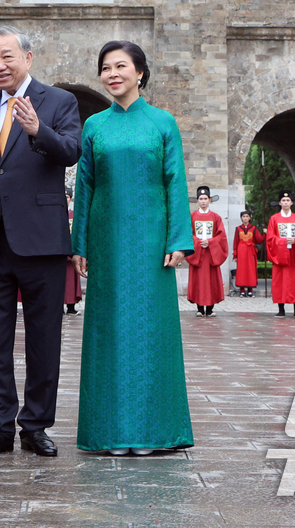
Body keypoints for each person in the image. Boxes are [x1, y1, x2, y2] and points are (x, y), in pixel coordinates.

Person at [0, 26, 81, 458]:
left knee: (44, 337)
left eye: (7, 56)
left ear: (28, 58)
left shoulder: (60, 102)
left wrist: (37, 131)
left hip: (42, 242)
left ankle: (35, 424)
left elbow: (70, 151)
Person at [71, 40, 193, 455]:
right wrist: (80, 243)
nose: (113, 74)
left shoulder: (163, 123)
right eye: (105, 68)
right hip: (106, 240)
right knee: (109, 331)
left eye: (121, 66)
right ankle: (109, 431)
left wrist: (179, 238)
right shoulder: (94, 126)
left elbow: (175, 181)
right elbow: (85, 187)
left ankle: (154, 432)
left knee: (151, 330)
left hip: (151, 242)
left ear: (140, 72)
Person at [266, 191, 295, 316]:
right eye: (283, 201)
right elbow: (270, 238)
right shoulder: (274, 219)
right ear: (280, 203)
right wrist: (283, 242)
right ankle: (281, 309)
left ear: (292, 202)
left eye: (288, 200)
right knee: (280, 282)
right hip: (280, 256)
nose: (285, 203)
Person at [186, 186, 227, 315]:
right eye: (201, 199)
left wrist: (210, 242)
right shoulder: (191, 216)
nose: (203, 201)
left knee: (211, 280)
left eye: (205, 198)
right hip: (198, 255)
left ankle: (210, 309)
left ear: (209, 200)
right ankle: (199, 308)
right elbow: (187, 234)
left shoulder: (216, 217)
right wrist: (197, 242)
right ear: (197, 200)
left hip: (211, 255)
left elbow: (221, 236)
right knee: (198, 280)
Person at [232, 210, 264, 297]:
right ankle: (242, 290)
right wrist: (235, 255)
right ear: (241, 218)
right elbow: (235, 242)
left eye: (247, 216)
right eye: (243, 216)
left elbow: (259, 240)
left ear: (250, 217)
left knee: (251, 269)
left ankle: (250, 290)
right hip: (241, 251)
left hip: (250, 251)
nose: (245, 218)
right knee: (241, 270)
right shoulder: (238, 229)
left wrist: (265, 234)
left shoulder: (254, 228)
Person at [64, 198, 83, 314]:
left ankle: (71, 307)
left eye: (67, 196)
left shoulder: (73, 214)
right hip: (59, 253)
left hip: (72, 252)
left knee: (71, 281)